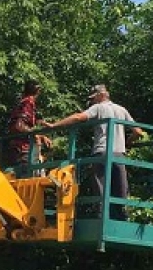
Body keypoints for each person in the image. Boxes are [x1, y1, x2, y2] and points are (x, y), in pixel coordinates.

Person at [45, 84, 145, 220]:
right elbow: (138, 132)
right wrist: (127, 142)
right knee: (121, 188)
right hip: (119, 154)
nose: (92, 101)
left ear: (101, 95)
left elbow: (78, 117)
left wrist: (54, 125)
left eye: (93, 98)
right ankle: (122, 217)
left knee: (100, 187)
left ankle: (101, 217)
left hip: (101, 152)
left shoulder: (98, 108)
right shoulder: (121, 110)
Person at [6, 79, 53, 168]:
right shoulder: (28, 102)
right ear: (38, 91)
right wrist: (36, 136)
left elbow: (23, 122)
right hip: (22, 149)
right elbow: (19, 126)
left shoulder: (21, 102)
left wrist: (41, 130)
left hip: (16, 147)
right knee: (27, 176)